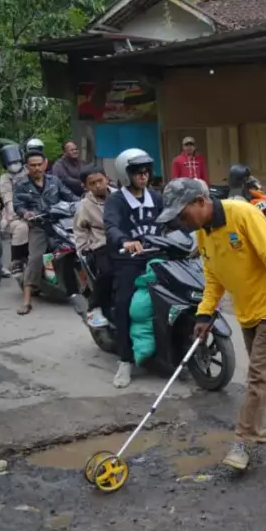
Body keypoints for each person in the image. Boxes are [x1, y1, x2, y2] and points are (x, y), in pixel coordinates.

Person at [156, 178, 266, 471]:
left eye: (182, 214)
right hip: (247, 311)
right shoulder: (204, 233)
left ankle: (243, 442)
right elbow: (213, 277)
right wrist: (204, 314)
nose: (181, 223)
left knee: (258, 375)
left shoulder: (243, 215)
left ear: (200, 201)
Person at [103, 148, 163, 388]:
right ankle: (125, 360)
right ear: (126, 175)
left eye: (146, 171)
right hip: (128, 260)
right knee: (124, 304)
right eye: (137, 172)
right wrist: (124, 241)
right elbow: (111, 224)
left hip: (156, 256)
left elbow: (173, 219)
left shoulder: (156, 198)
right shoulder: (116, 200)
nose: (143, 175)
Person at [13, 149, 78, 314]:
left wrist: (82, 203)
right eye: (32, 165)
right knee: (35, 258)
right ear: (27, 167)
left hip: (60, 223)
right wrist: (25, 213)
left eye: (39, 164)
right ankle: (27, 301)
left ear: (45, 164)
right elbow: (18, 205)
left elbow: (70, 196)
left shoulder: (54, 181)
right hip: (39, 226)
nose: (36, 168)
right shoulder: (21, 184)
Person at [73, 166, 113, 327]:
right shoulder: (84, 205)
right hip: (101, 244)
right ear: (86, 186)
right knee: (108, 272)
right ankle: (94, 307)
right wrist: (83, 250)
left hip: (127, 242)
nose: (98, 185)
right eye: (92, 183)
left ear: (107, 179)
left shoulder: (120, 196)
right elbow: (79, 229)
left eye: (100, 181)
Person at [0, 144, 30, 273]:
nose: (14, 165)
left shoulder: (30, 172)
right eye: (11, 163)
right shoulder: (5, 178)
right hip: (14, 214)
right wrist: (14, 213)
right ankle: (16, 260)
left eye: (16, 161)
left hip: (38, 210)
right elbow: (8, 198)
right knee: (22, 228)